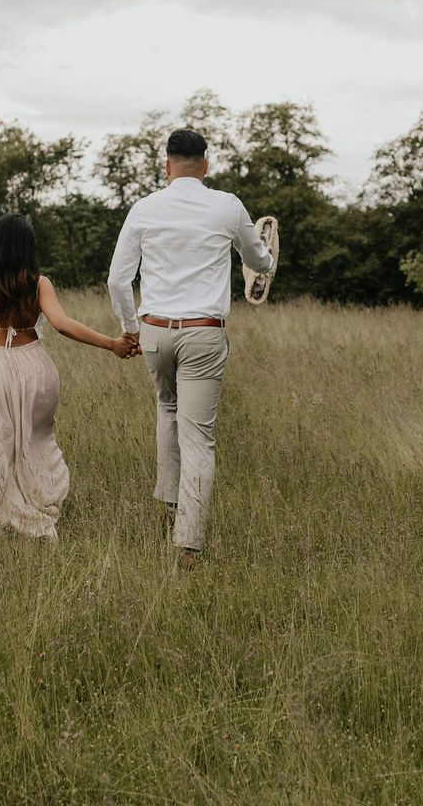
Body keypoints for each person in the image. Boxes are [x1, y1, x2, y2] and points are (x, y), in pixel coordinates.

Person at [107, 128, 276, 570]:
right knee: (198, 436)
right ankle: (188, 546)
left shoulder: (144, 208)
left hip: (154, 332)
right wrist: (268, 259)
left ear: (167, 166)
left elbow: (117, 279)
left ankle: (169, 508)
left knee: (167, 410)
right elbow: (258, 261)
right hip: (203, 333)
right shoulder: (228, 205)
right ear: (206, 164)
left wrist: (130, 329)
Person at [0, 213, 137, 540]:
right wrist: (111, 344)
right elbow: (62, 325)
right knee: (37, 442)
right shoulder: (38, 283)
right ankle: (38, 513)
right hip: (36, 370)